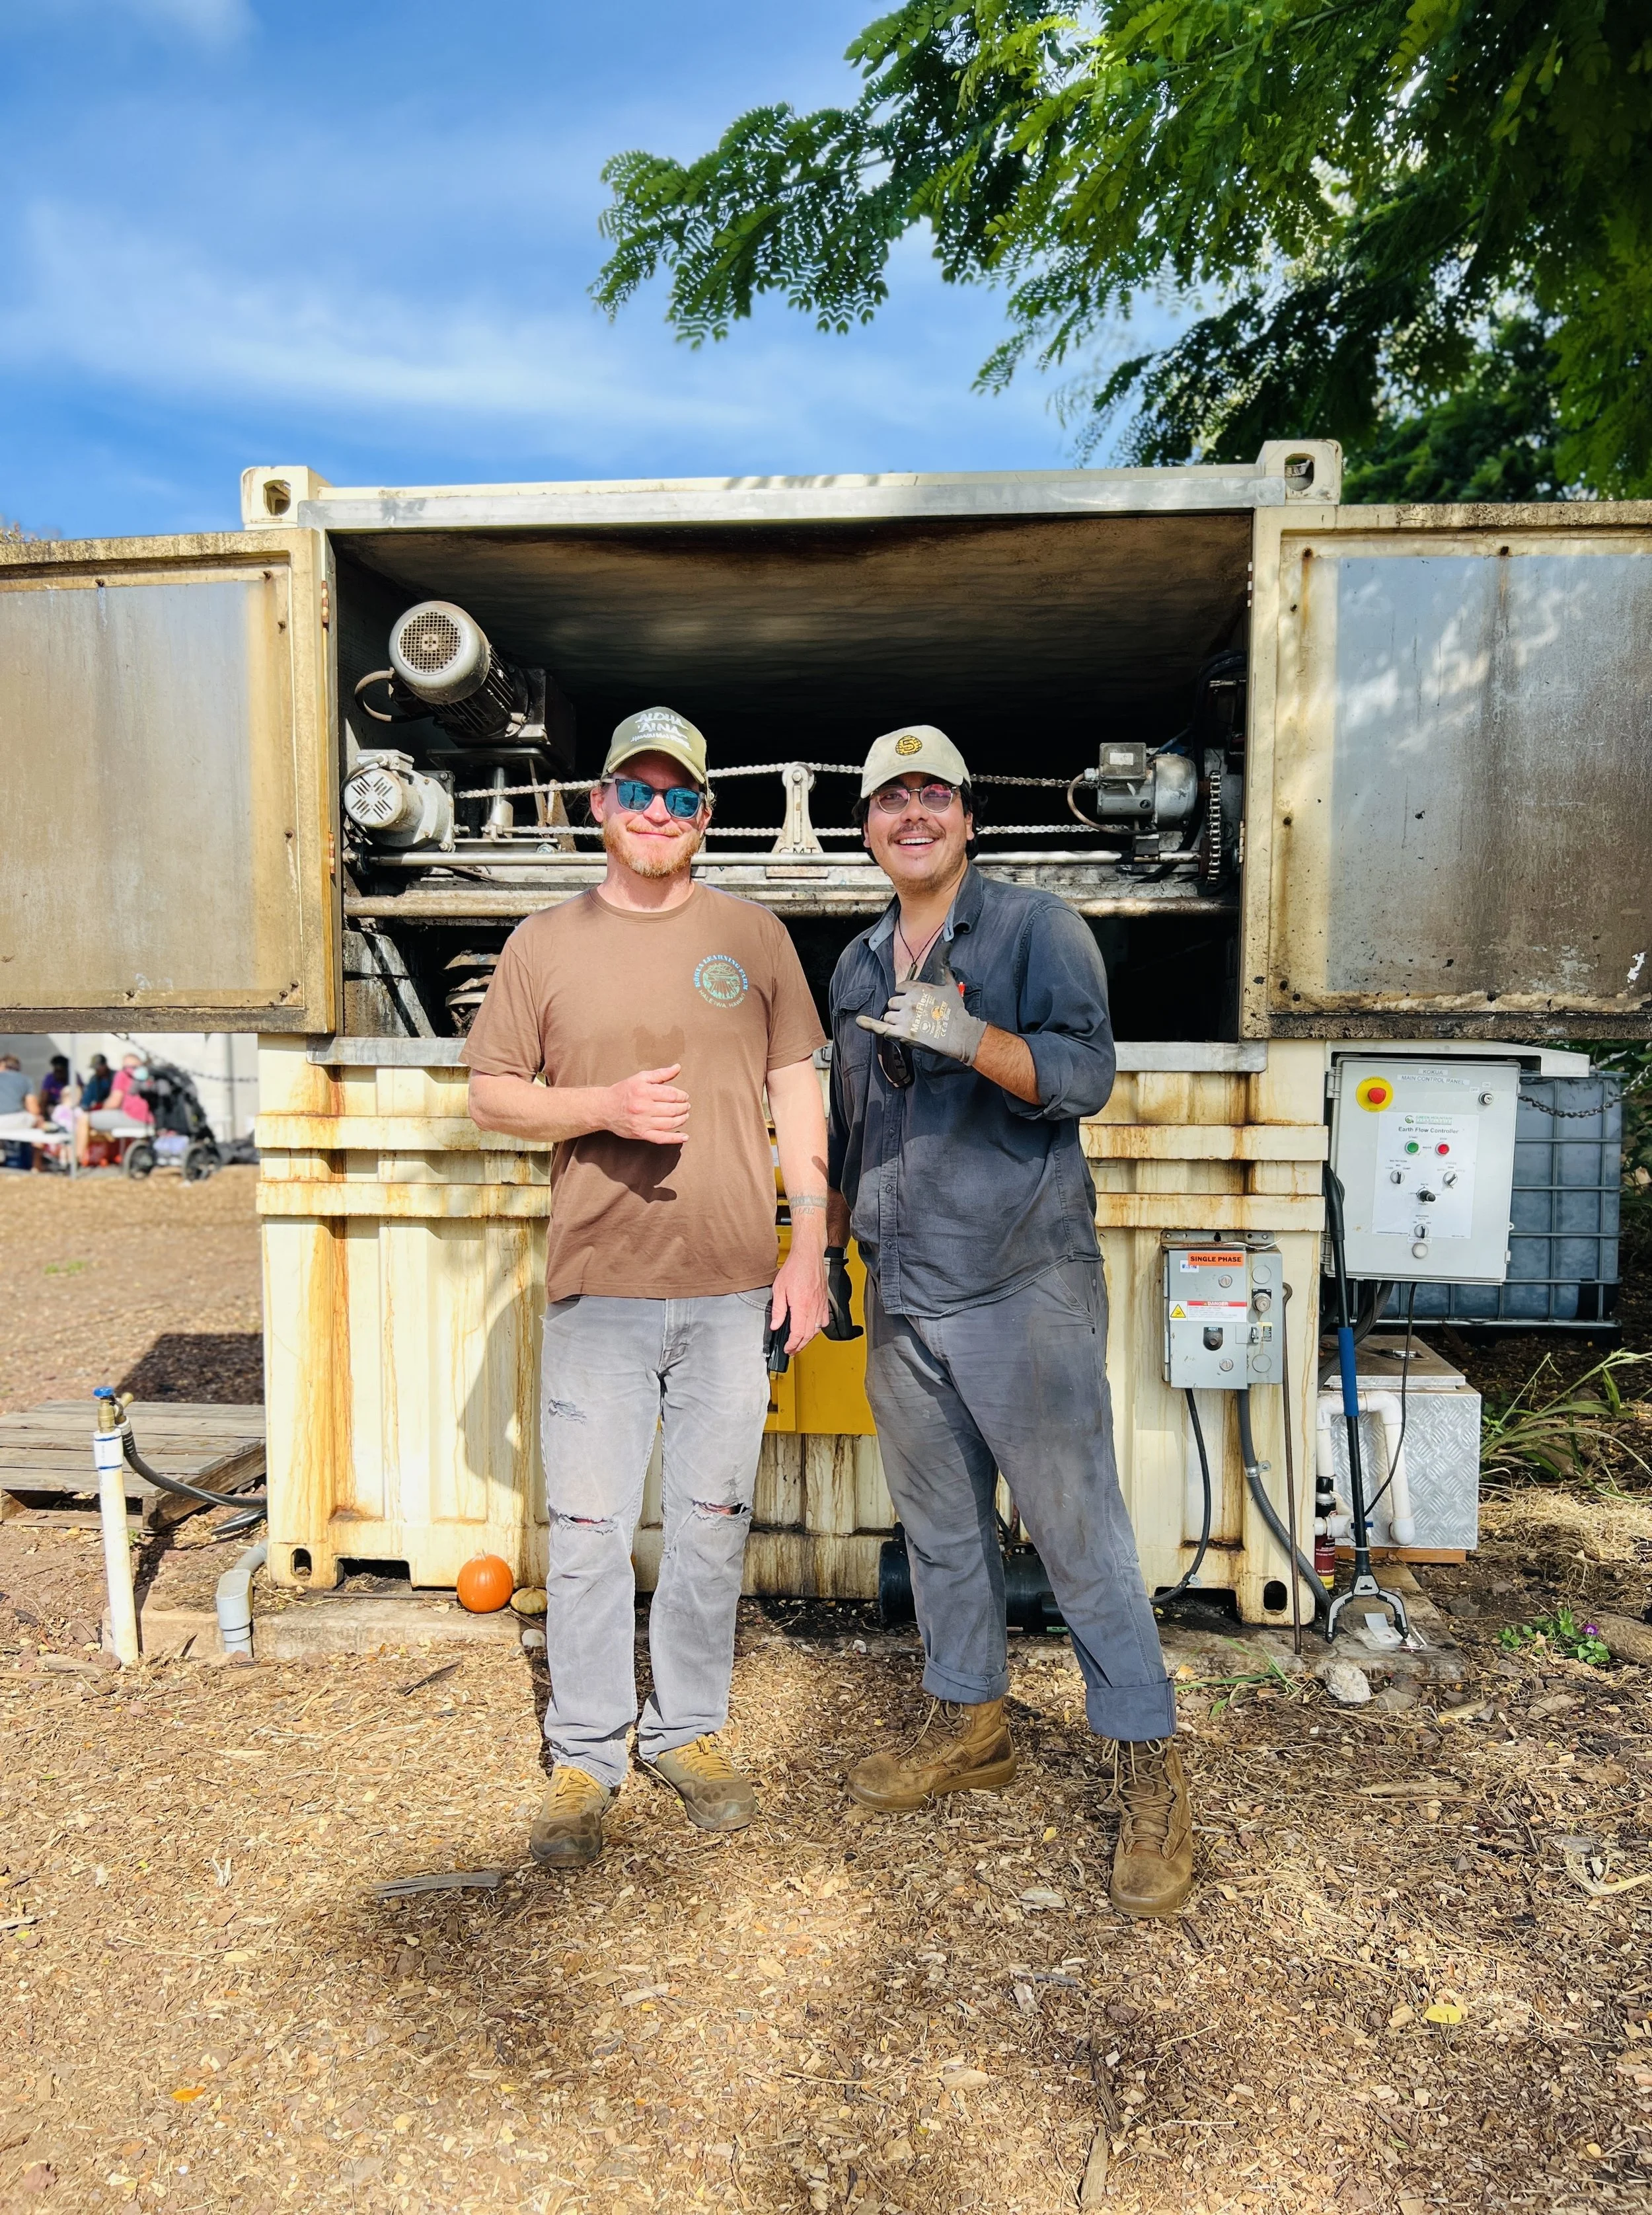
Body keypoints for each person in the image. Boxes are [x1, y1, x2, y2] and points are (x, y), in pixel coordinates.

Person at [826, 726, 1193, 1920]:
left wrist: (969, 1038)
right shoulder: (859, 961)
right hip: (905, 1287)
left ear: (967, 817)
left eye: (935, 792)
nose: (912, 813)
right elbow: (846, 1129)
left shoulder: (1037, 927)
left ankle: (1151, 1765)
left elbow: (1085, 1076)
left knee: (1077, 1530)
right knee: (940, 1532)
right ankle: (969, 1721)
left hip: (1021, 1283)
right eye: (892, 798)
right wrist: (822, 1251)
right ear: (870, 823)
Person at [465, 706, 830, 1869]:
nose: (657, 812)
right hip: (601, 1290)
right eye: (638, 791)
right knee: (587, 1533)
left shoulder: (756, 936)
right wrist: (602, 1110)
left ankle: (689, 1730)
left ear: (708, 816)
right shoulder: (543, 943)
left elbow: (799, 1095)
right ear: (598, 805)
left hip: (731, 1287)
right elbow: (491, 1093)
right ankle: (585, 1752)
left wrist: (810, 1241)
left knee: (713, 1525)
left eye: (680, 796)